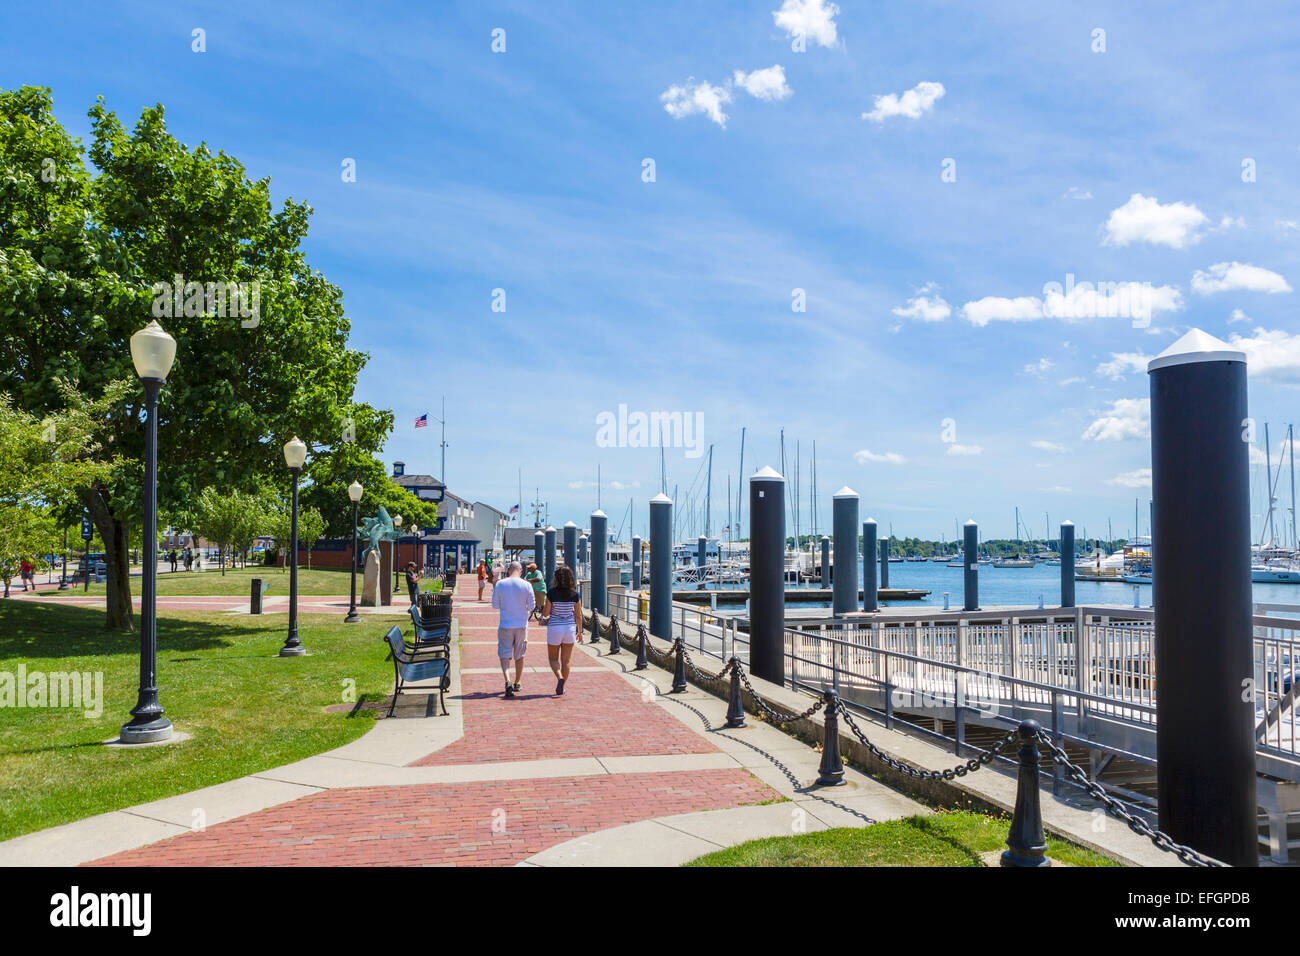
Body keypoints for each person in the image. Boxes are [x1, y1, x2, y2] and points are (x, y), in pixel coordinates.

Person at [491, 561, 535, 698]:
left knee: (504, 654)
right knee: (520, 654)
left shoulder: (500, 584)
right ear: (521, 571)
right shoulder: (527, 585)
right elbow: (532, 606)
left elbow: (495, 605)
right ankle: (517, 681)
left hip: (505, 624)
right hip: (521, 625)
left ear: (509, 570)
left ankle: (507, 680)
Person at [543, 564, 583, 695]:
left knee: (553, 659)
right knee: (566, 661)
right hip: (570, 628)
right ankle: (562, 687)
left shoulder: (552, 593)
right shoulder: (575, 594)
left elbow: (545, 613)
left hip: (555, 628)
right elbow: (578, 615)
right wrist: (580, 632)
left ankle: (559, 677)